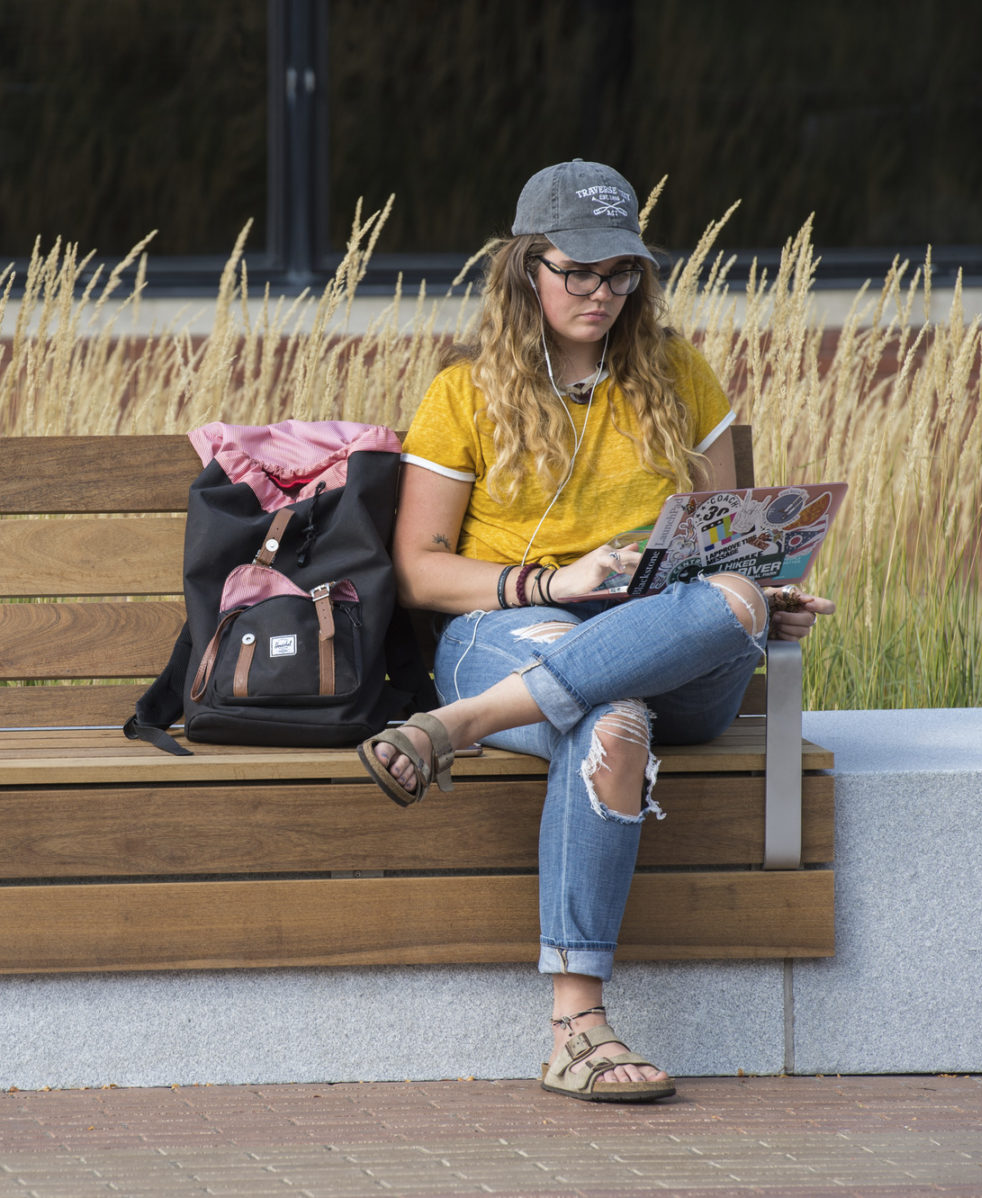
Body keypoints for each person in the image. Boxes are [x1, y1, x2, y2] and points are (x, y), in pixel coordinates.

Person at [356, 160, 833, 1103]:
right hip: (512, 629)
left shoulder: (679, 375)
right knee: (611, 716)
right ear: (525, 267)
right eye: (579, 272)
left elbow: (732, 542)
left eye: (621, 274)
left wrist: (767, 594)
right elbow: (418, 568)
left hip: (668, 648)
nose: (602, 294)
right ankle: (578, 1028)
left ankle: (455, 729)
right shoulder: (464, 393)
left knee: (737, 597)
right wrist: (552, 579)